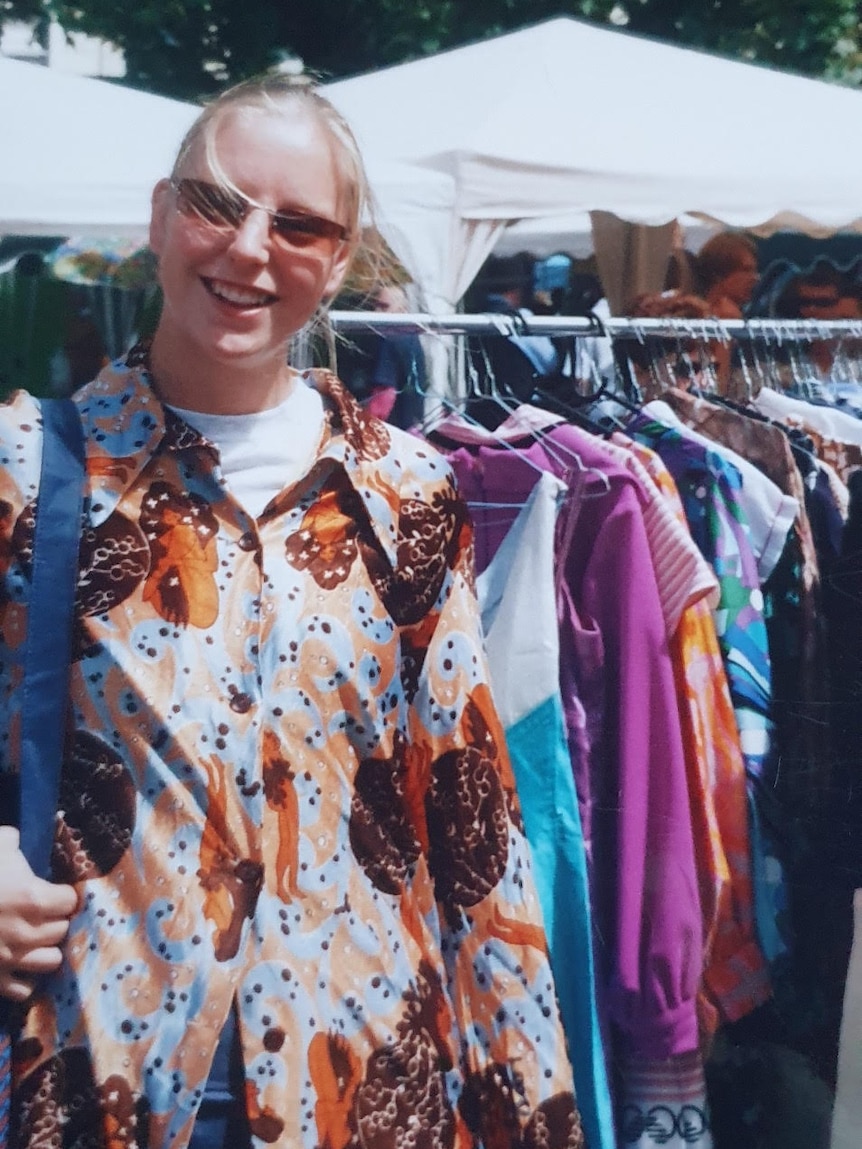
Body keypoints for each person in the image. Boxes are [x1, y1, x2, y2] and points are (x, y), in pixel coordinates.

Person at [0, 73, 582, 1149]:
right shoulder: (29, 472)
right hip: (100, 1075)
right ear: (162, 214)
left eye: (299, 225)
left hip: (359, 1085)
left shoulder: (407, 493)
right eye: (219, 204)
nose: (251, 250)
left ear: (343, 257)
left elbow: (471, 829)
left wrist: (529, 1108)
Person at [337, 282, 427, 429]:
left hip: (390, 435)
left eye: (384, 307)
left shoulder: (390, 339)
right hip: (411, 431)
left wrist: (363, 431)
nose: (377, 312)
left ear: (403, 310)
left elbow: (383, 398)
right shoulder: (412, 338)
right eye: (376, 306)